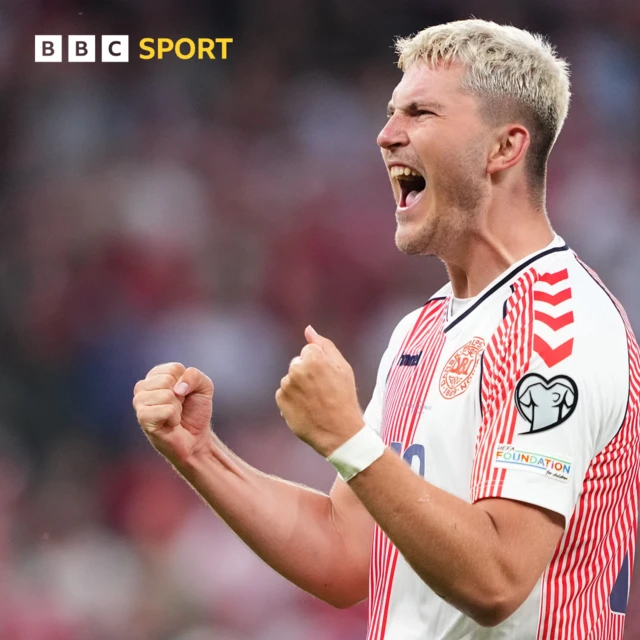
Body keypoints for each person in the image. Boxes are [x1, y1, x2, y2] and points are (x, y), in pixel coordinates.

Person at [132, 19, 639, 640]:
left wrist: (346, 437)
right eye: (390, 113)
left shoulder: (557, 321)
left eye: (420, 113)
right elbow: (347, 554)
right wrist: (199, 452)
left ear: (504, 148)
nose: (385, 136)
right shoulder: (420, 331)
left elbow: (499, 579)